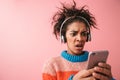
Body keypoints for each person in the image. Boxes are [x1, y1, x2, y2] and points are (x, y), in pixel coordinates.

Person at [42, 1, 115, 80]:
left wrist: (110, 79)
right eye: (73, 34)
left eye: (84, 34)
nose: (80, 39)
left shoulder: (96, 63)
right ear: (63, 36)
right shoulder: (52, 65)